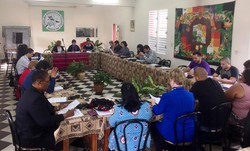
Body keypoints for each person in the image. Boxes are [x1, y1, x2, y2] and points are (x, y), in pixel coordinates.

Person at [16, 70, 74, 150]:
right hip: (32, 137)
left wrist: (58, 108)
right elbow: (45, 122)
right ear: (39, 82)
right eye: (47, 82)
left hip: (27, 130)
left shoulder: (31, 91)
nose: (49, 84)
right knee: (67, 134)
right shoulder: (35, 99)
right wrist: (64, 115)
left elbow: (42, 109)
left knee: (62, 128)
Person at [151, 68, 195, 151]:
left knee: (153, 125)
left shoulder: (167, 96)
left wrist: (153, 103)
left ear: (172, 80)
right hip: (189, 133)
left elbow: (156, 111)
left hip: (173, 134)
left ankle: (162, 148)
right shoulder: (190, 95)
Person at [108, 82, 152, 151]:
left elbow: (111, 123)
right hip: (140, 142)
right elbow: (149, 116)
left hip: (123, 144)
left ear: (123, 95)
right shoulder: (146, 106)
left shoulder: (118, 109)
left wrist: (112, 113)